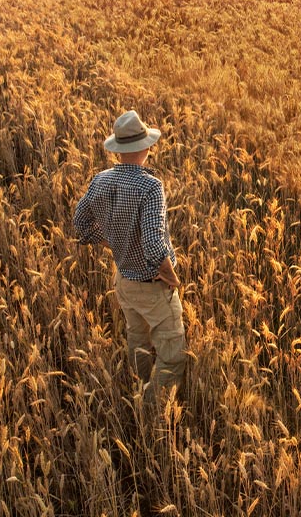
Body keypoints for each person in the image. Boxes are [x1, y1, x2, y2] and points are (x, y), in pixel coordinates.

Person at [73, 110, 187, 396]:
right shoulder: (150, 187)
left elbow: (80, 223)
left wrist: (109, 240)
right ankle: (149, 410)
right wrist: (172, 278)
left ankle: (137, 388)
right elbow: (153, 245)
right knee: (172, 359)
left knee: (138, 340)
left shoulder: (100, 180)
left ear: (119, 150)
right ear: (146, 147)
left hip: (123, 281)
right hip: (152, 286)